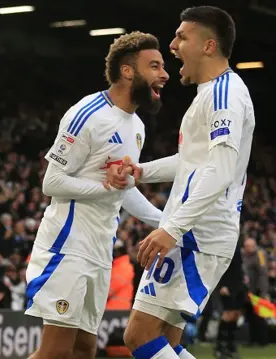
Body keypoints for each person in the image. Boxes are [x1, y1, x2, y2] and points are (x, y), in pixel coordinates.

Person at [106, 6, 255, 359]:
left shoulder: (224, 96)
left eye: (181, 37)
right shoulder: (211, 93)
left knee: (138, 337)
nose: (172, 45)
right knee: (166, 343)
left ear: (208, 45)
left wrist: (172, 228)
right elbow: (192, 162)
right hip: (198, 232)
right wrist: (140, 172)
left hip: (197, 235)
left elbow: (219, 169)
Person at [24, 31, 168, 359]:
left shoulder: (137, 127)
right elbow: (52, 182)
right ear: (128, 71)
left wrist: (168, 222)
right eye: (155, 66)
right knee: (56, 352)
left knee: (85, 349)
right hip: (68, 246)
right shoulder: (87, 114)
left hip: (100, 251)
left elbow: (124, 192)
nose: (164, 74)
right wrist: (103, 187)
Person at [215, 242, 246, 359]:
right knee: (227, 314)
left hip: (238, 284)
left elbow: (239, 265)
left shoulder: (237, 242)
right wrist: (222, 285)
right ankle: (220, 347)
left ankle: (230, 345)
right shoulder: (224, 243)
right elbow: (221, 265)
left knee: (236, 314)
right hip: (227, 284)